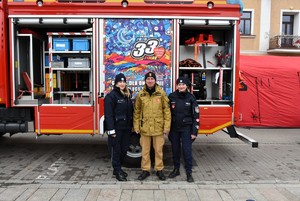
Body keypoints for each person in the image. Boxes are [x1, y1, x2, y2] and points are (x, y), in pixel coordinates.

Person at [133, 72, 171, 181]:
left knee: (158, 151)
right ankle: (145, 170)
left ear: (155, 80)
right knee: (145, 151)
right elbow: (137, 111)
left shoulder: (161, 93)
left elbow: (166, 111)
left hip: (158, 128)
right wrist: (136, 126)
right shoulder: (141, 94)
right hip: (144, 128)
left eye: (152, 79)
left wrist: (167, 127)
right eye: (148, 79)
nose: (150, 80)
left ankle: (159, 170)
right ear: (145, 81)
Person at [168, 77, 199, 182]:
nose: (181, 86)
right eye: (179, 85)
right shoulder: (171, 97)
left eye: (183, 85)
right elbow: (167, 114)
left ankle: (189, 172)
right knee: (175, 150)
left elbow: (196, 116)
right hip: (174, 129)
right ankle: (176, 169)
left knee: (187, 151)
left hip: (187, 129)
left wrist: (194, 132)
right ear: (177, 86)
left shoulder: (191, 98)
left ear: (187, 86)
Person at [104, 73, 133, 182]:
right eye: (119, 82)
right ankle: (117, 170)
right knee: (116, 150)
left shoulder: (127, 95)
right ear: (116, 83)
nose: (122, 84)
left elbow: (131, 111)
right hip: (116, 129)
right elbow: (109, 115)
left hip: (126, 128)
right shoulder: (111, 96)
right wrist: (111, 131)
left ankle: (118, 169)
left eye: (123, 82)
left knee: (124, 149)